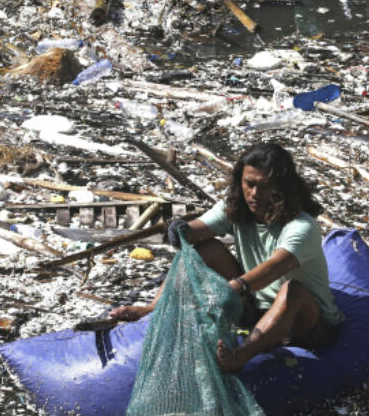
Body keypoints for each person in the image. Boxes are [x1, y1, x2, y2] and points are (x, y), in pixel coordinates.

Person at [109, 143, 344, 372]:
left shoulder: (301, 226)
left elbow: (274, 267)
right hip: (255, 307)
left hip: (306, 321)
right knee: (206, 248)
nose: (255, 194)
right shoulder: (236, 208)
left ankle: (241, 356)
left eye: (264, 187)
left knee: (292, 290)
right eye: (249, 185)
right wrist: (180, 230)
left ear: (281, 188)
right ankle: (152, 308)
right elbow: (197, 231)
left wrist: (236, 287)